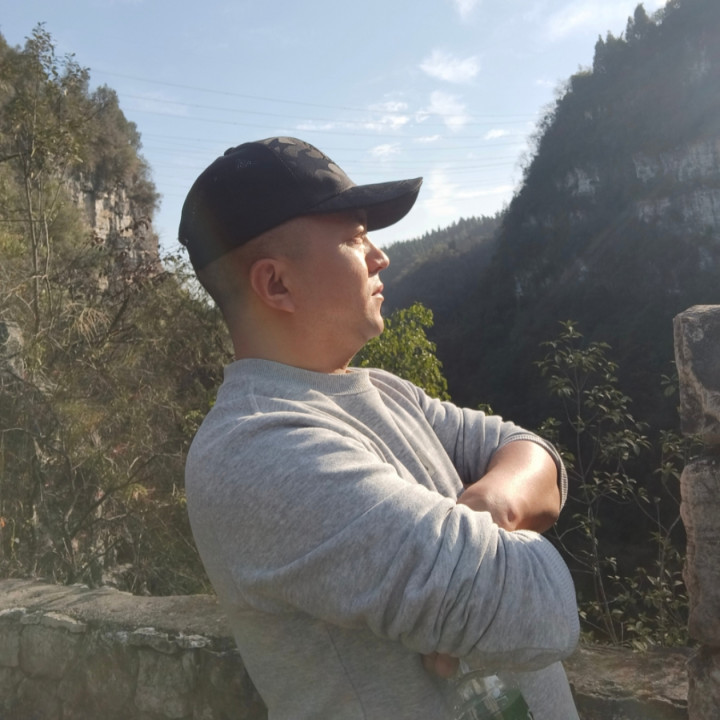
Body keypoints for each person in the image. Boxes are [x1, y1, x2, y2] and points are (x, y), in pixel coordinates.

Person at [179, 136, 580, 720]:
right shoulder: (253, 451)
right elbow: (539, 607)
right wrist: (493, 553)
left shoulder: (386, 391)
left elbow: (534, 454)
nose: (380, 256)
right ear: (276, 284)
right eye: (354, 237)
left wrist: (490, 507)